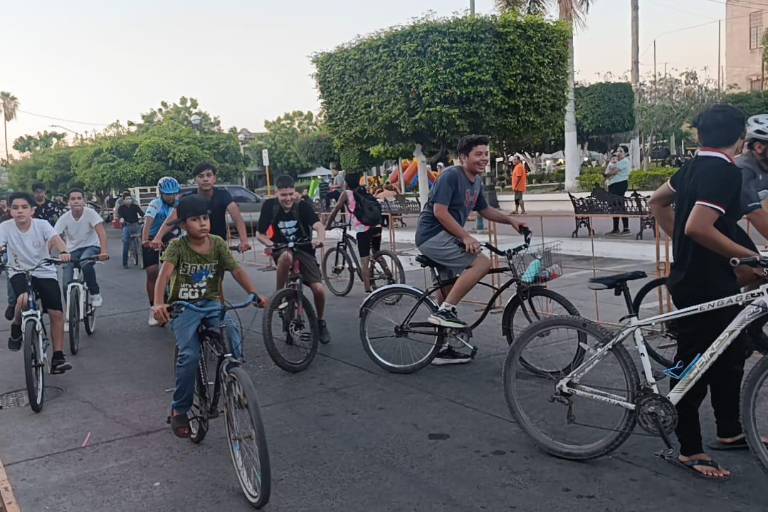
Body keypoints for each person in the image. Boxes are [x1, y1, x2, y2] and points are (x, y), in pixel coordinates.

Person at [649, 104, 761, 480]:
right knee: (693, 364)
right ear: (741, 138)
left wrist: (680, 244)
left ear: (699, 135)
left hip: (701, 279)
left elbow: (657, 202)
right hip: (705, 285)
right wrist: (750, 256)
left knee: (728, 357)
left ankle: (729, 430)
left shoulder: (695, 166)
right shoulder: (724, 171)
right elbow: (698, 226)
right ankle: (689, 447)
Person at [151, 194, 266, 438]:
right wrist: (159, 304)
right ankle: (179, 410)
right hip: (184, 307)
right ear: (183, 225)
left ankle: (236, 377)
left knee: (232, 329)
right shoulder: (177, 247)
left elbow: (235, 270)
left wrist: (254, 293)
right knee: (190, 355)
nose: (202, 223)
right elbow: (163, 276)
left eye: (205, 218)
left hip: (212, 303)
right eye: (195, 219)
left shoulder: (217, 243)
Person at [416, 135, 527, 365]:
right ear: (463, 157)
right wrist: (465, 236)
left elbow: (485, 210)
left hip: (446, 237)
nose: (484, 158)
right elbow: (440, 212)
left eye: (486, 154)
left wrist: (511, 221)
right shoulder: (451, 176)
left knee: (447, 289)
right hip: (432, 236)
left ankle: (442, 346)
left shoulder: (475, 181)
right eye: (478, 154)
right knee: (482, 262)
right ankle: (445, 310)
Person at [0, 192, 72, 373]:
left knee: (56, 313)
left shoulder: (42, 225)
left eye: (24, 207)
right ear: (9, 210)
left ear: (32, 210)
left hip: (44, 270)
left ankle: (57, 357)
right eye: (15, 207)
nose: (19, 211)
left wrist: (63, 251)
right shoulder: (5, 227)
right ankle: (17, 324)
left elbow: (56, 239)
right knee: (23, 299)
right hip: (18, 270)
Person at [256, 174, 331, 344]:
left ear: (294, 192)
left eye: (290, 194)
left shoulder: (302, 206)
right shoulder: (269, 206)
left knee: (319, 289)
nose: (288, 198)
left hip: (304, 248)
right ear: (276, 193)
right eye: (283, 195)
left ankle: (320, 322)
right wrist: (270, 243)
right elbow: (260, 234)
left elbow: (318, 225)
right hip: (281, 248)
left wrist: (320, 238)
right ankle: (279, 295)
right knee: (286, 257)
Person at [151, 162, 251, 253]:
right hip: (193, 245)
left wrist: (244, 240)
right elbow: (171, 220)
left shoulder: (223, 195)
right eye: (201, 176)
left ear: (214, 178)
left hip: (217, 244)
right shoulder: (188, 198)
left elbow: (237, 218)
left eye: (209, 175)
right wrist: (158, 238)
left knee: (231, 270)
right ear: (195, 180)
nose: (205, 179)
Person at [325, 171, 383, 293]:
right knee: (377, 253)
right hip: (376, 225)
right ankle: (389, 275)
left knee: (364, 260)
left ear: (346, 183)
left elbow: (335, 210)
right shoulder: (364, 191)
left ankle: (367, 290)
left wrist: (327, 226)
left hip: (363, 229)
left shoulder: (346, 193)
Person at [54, 189, 110, 309]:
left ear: (84, 201)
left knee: (85, 262)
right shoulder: (64, 218)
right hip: (72, 251)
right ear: (68, 202)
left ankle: (95, 293)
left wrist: (104, 251)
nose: (76, 201)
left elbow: (101, 233)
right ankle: (70, 312)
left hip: (91, 247)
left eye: (79, 198)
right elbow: (55, 236)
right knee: (65, 284)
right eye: (73, 199)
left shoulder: (91, 213)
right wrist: (61, 251)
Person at [141, 177, 181, 326]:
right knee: (152, 272)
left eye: (174, 194)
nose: (171, 197)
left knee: (172, 268)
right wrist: (145, 240)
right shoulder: (155, 204)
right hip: (151, 236)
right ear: (161, 193)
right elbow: (148, 222)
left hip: (170, 235)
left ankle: (174, 296)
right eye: (167, 194)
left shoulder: (179, 204)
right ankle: (153, 307)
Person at [604, 145, 632, 235]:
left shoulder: (624, 161)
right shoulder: (615, 161)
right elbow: (608, 171)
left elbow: (612, 172)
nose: (618, 153)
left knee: (620, 205)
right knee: (614, 207)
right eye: (618, 151)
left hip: (620, 184)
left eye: (621, 151)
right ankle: (615, 228)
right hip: (613, 185)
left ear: (626, 153)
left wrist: (607, 174)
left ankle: (626, 228)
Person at [117, 194, 144, 268]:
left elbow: (142, 213)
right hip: (127, 226)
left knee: (143, 242)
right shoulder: (121, 208)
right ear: (124, 200)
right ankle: (125, 263)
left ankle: (144, 260)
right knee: (126, 243)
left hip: (136, 225)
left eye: (130, 198)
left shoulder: (135, 206)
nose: (129, 200)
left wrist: (144, 217)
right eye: (127, 199)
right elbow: (120, 216)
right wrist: (121, 219)